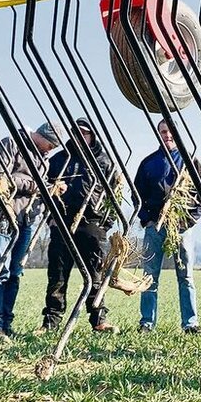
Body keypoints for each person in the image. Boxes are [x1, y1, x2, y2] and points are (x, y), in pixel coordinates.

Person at [41, 118, 119, 334]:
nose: (80, 137)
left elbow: (115, 196)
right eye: (76, 133)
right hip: (62, 222)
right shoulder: (59, 160)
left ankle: (99, 319)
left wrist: (105, 224)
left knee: (95, 274)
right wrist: (50, 218)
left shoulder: (104, 162)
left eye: (84, 133)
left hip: (92, 223)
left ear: (92, 135)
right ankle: (51, 321)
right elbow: (45, 190)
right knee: (57, 273)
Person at [0, 124, 56, 339]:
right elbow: (1, 178)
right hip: (2, 216)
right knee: (1, 271)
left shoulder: (44, 160)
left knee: (15, 273)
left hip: (26, 220)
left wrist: (50, 189)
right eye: (51, 144)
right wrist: (37, 185)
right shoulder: (10, 144)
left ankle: (6, 324)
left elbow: (39, 187)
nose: (51, 149)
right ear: (41, 136)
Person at [135, 119, 201, 334]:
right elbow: (137, 195)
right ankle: (147, 322)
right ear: (158, 134)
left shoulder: (190, 161)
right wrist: (147, 219)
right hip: (155, 227)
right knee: (149, 276)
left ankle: (190, 323)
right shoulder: (148, 163)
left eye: (171, 131)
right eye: (163, 132)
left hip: (182, 228)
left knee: (186, 276)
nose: (168, 135)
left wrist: (188, 221)